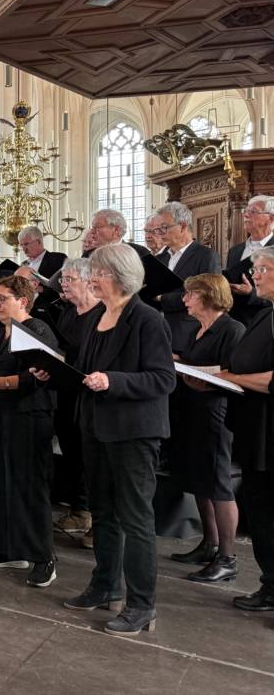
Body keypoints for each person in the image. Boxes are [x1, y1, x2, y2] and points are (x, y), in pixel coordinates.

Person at [54, 243, 175, 637]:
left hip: (134, 432)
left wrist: (113, 381)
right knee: (103, 513)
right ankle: (106, 585)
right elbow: (85, 369)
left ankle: (142, 605)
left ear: (119, 276)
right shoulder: (98, 317)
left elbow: (163, 378)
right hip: (95, 426)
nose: (91, 280)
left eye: (98, 274)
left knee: (136, 520)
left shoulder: (147, 319)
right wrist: (53, 373)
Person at [0, 276, 58, 587]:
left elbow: (40, 376)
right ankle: (10, 548)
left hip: (29, 414)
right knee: (2, 481)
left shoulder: (38, 329)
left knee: (29, 486)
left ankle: (43, 556)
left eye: (2, 298)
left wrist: (0, 383)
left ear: (22, 300)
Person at [168, 274, 244, 582]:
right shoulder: (198, 328)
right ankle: (209, 544)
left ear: (209, 295)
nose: (185, 300)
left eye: (190, 294)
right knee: (200, 480)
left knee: (218, 483)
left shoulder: (232, 329)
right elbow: (190, 359)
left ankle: (228, 557)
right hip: (192, 410)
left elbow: (234, 372)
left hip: (216, 413)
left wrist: (198, 372)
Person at [217, 245, 274, 611]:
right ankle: (269, 583)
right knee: (260, 507)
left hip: (270, 431)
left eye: (264, 268)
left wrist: (232, 376)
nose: (256, 275)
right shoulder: (265, 313)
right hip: (255, 428)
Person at [53, 258, 102, 540]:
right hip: (66, 393)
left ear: (87, 280)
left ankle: (96, 520)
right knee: (72, 455)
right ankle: (79, 510)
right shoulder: (69, 312)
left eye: (69, 280)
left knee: (90, 459)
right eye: (63, 281)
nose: (64, 286)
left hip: (90, 394)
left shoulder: (100, 313)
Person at [151, 201, 221, 354]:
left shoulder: (206, 256)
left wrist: (163, 299)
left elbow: (209, 294)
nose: (160, 233)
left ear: (182, 226)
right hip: (156, 333)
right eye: (158, 229)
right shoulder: (159, 259)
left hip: (188, 333)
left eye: (164, 227)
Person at [226, 195, 274, 326]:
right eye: (245, 211)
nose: (246, 215)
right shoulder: (235, 251)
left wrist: (251, 293)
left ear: (270, 218)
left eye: (253, 211)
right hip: (233, 322)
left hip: (264, 323)